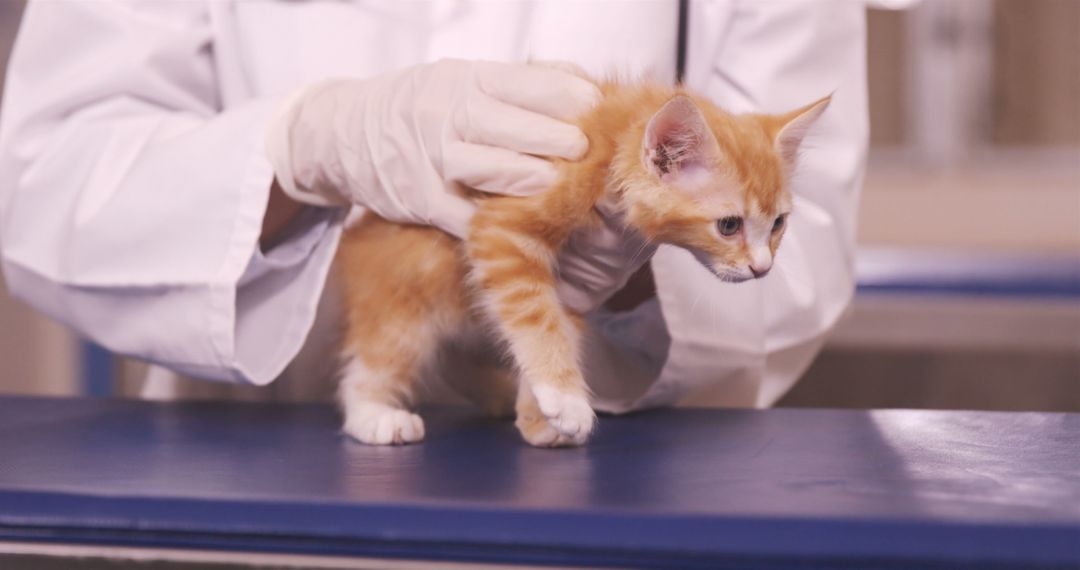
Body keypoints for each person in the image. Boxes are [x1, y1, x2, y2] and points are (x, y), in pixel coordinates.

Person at [0, 1, 866, 412]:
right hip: (265, 478)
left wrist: (634, 261)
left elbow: (804, 229)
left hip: (634, 498)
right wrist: (301, 149)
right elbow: (45, 180)